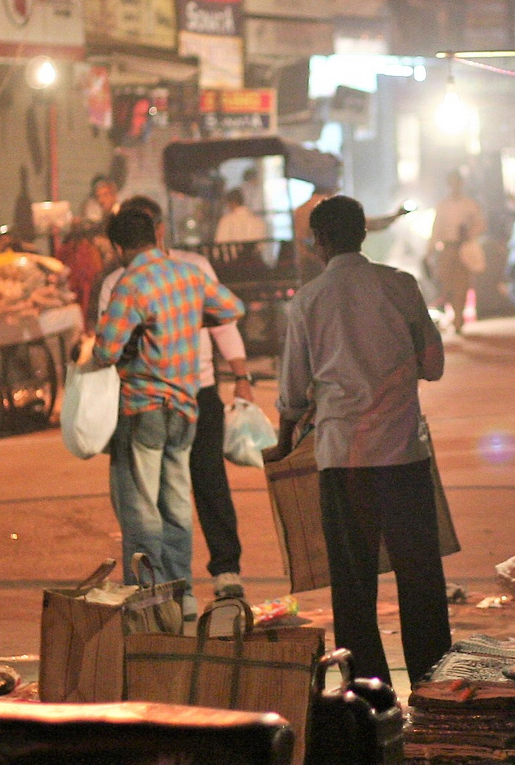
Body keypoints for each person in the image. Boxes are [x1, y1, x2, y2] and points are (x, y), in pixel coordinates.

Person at [275, 195, 450, 685]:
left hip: (342, 460)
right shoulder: (399, 285)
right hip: (403, 454)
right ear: (363, 234)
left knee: (352, 588)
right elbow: (433, 365)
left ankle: (370, 699)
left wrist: (284, 439)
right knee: (420, 578)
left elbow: (292, 393)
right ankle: (435, 687)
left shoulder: (307, 302)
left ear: (319, 243)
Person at [82, 206, 245, 618]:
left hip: (144, 408)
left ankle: (149, 602)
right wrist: (188, 320)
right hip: (187, 406)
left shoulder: (129, 285)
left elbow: (104, 352)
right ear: (155, 236)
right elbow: (232, 309)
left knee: (140, 508)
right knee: (176, 506)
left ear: (119, 247)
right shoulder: (189, 275)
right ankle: (183, 595)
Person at [431, 172, 486, 333]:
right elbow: (436, 228)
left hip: (463, 248)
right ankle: (453, 313)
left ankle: (458, 319)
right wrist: (430, 249)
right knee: (447, 283)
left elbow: (481, 225)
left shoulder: (470, 205)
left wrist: (469, 233)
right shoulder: (443, 205)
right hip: (447, 247)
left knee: (462, 283)